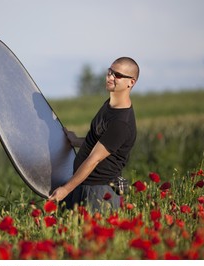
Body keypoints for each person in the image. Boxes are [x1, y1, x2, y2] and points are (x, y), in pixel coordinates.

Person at [49, 57, 139, 213]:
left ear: (131, 82)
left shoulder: (121, 123)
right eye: (109, 72)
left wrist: (65, 189)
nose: (110, 77)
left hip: (98, 194)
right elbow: (97, 142)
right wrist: (76, 140)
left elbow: (94, 158)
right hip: (83, 186)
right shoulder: (109, 105)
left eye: (117, 75)